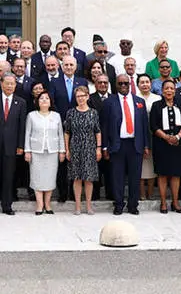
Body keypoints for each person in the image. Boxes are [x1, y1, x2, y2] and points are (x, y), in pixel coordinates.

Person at [102, 74, 151, 215]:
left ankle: (133, 205)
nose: (123, 86)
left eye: (125, 83)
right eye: (120, 83)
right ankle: (118, 204)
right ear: (115, 85)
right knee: (117, 177)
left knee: (135, 177)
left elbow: (144, 125)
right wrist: (104, 146)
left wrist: (146, 145)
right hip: (117, 144)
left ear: (130, 85)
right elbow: (104, 126)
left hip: (135, 144)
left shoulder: (139, 101)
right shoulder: (109, 102)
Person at [0, 72, 26, 215]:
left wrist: (20, 145)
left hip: (11, 146)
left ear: (15, 85)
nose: (9, 86)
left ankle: (7, 205)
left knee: (8, 176)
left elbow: (22, 126)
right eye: (7, 83)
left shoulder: (21, 102)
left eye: (12, 84)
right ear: (1, 84)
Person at [150, 79, 181, 213]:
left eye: (172, 88)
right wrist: (166, 137)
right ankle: (163, 203)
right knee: (162, 174)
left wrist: (177, 137)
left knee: (176, 174)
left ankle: (175, 202)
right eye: (166, 88)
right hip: (161, 144)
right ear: (162, 91)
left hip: (179, 143)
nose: (169, 91)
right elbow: (153, 125)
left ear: (175, 90)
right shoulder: (156, 105)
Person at [23, 90, 65, 215]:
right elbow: (27, 134)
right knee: (37, 178)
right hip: (36, 151)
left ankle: (47, 204)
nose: (44, 100)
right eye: (41, 98)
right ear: (37, 101)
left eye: (47, 98)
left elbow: (60, 134)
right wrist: (27, 151)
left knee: (50, 178)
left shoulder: (56, 116)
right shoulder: (31, 115)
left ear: (50, 102)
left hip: (52, 151)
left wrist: (62, 151)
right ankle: (39, 204)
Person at [63, 85, 101, 215]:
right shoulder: (71, 113)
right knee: (77, 178)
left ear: (87, 96)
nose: (80, 98)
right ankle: (78, 206)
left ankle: (89, 206)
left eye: (82, 96)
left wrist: (98, 148)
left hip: (90, 148)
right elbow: (67, 132)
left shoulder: (93, 113)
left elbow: (97, 131)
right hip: (75, 148)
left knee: (89, 178)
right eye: (78, 96)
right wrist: (67, 149)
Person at [138, 72, 160, 200]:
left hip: (154, 136)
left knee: (151, 168)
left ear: (151, 84)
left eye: (147, 82)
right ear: (138, 85)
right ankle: (142, 194)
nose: (145, 84)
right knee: (141, 168)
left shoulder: (157, 98)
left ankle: (150, 193)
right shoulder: (134, 98)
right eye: (142, 82)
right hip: (139, 137)